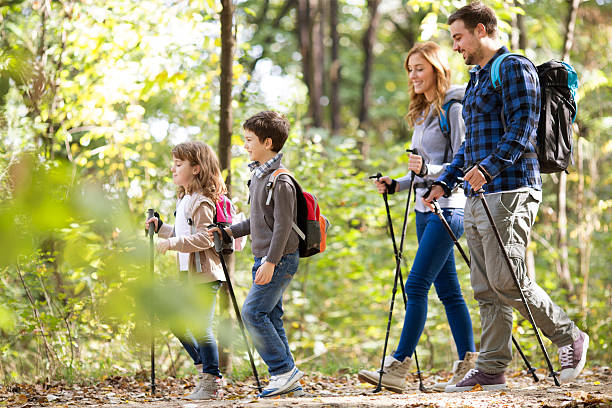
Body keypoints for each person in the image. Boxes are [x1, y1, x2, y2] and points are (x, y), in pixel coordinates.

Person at [424, 2, 588, 392]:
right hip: (478, 193)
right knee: (485, 287)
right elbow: (468, 147)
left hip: (512, 187)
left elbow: (523, 127)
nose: (456, 46)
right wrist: (445, 181)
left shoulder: (513, 67)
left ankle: (569, 336)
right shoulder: (479, 78)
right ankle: (492, 367)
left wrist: (489, 169)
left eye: (459, 37)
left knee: (507, 278)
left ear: (481, 30)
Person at [358, 42, 477, 393]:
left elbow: (462, 161)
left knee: (415, 285)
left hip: (449, 208)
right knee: (449, 291)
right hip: (424, 210)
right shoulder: (424, 113)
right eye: (410, 69)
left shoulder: (453, 107)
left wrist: (428, 168)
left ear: (437, 69)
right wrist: (396, 184)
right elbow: (422, 172)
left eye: (419, 68)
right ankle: (469, 361)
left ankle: (397, 366)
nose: (413, 75)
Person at [209, 111, 304, 398]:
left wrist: (271, 262)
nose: (245, 144)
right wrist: (229, 232)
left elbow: (284, 226)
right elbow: (258, 221)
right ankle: (290, 382)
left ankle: (282, 372)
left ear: (268, 141)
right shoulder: (259, 176)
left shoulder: (281, 180)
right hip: (264, 257)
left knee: (252, 313)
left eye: (249, 140)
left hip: (278, 258)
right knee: (271, 317)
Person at [145, 141, 227, 400]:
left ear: (196, 168)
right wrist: (161, 228)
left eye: (179, 164)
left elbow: (205, 238)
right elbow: (184, 234)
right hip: (189, 276)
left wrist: (170, 244)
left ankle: (211, 382)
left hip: (205, 274)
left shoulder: (202, 201)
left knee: (202, 327)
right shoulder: (184, 199)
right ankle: (206, 370)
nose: (173, 168)